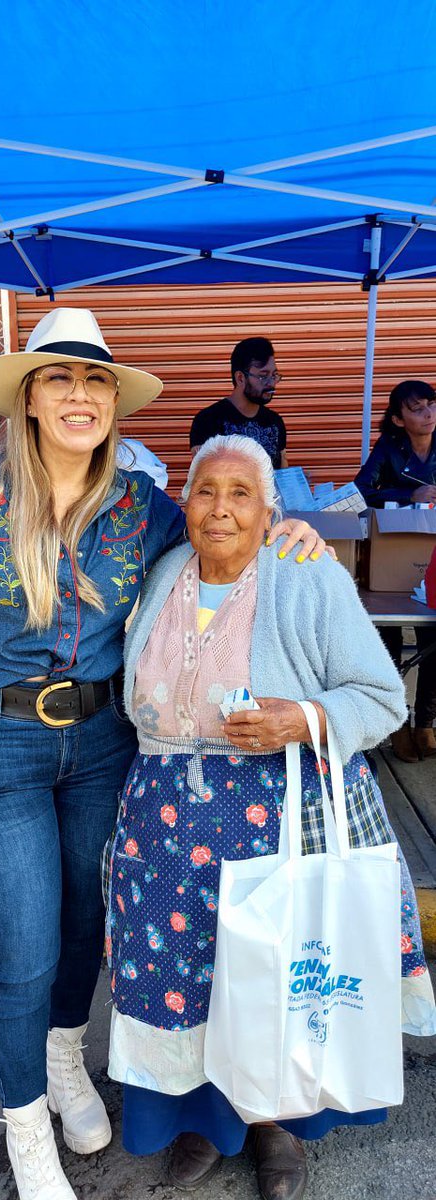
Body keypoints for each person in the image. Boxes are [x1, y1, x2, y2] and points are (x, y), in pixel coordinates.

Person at [0, 309, 326, 1200]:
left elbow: (226, 538)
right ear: (26, 397)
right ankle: (24, 1126)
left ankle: (64, 1066)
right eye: (59, 378)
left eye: (94, 380)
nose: (80, 394)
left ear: (112, 403)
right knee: (24, 950)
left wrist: (291, 532)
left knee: (87, 929)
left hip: (104, 746)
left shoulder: (142, 508)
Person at [106, 434, 435, 1200]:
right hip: (165, 827)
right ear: (183, 504)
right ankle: (205, 1120)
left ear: (269, 511)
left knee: (275, 981)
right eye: (204, 492)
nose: (220, 508)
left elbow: (383, 696)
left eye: (240, 493)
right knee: (186, 982)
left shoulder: (303, 573)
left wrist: (302, 718)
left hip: (274, 821)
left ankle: (276, 1125)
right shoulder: (162, 574)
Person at [355, 380, 436, 761]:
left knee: (433, 643)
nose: (428, 414)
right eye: (417, 409)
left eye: (430, 406)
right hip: (392, 558)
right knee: (387, 641)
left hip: (432, 554)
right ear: (398, 418)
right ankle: (397, 724)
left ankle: (426, 724)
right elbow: (361, 491)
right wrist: (409, 495)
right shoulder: (389, 448)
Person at [189, 336, 287, 467]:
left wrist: (294, 481)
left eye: (274, 375)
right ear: (240, 378)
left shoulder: (275, 422)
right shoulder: (208, 421)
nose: (271, 383)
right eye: (263, 376)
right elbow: (203, 477)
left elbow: (282, 472)